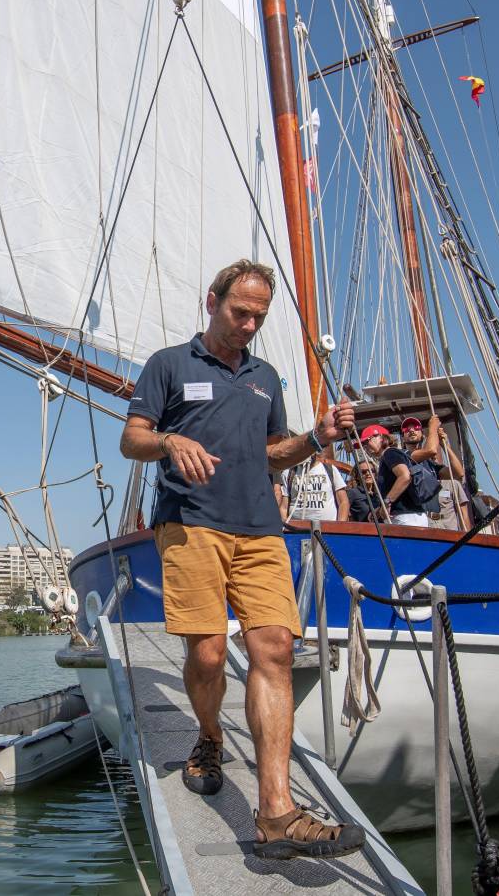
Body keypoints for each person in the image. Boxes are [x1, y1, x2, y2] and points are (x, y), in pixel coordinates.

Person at [121, 258, 365, 860]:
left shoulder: (266, 378)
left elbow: (274, 452)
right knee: (205, 652)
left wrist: (317, 437)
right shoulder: (169, 365)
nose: (250, 324)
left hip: (259, 529)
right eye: (240, 312)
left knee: (274, 648)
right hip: (191, 528)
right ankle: (208, 736)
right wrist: (171, 441)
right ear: (212, 300)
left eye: (259, 315)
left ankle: (276, 812)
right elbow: (133, 438)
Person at [360, 424, 429, 526]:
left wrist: (386, 503)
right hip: (408, 517)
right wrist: (380, 509)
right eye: (363, 444)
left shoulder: (389, 453)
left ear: (381, 438)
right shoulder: (392, 455)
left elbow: (405, 476)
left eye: (367, 440)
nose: (365, 446)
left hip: (407, 518)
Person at [279, 452, 350, 522]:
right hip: (297, 529)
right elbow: (284, 506)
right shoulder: (288, 473)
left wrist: (340, 525)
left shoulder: (330, 469)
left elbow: (343, 501)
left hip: (328, 528)